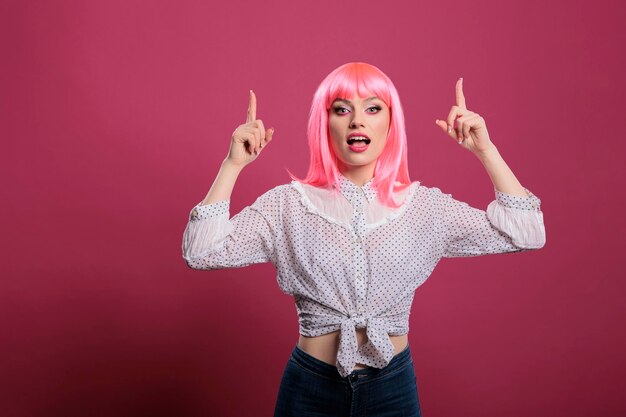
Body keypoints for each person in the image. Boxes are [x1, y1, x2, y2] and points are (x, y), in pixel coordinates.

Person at [181, 62, 546, 417]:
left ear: (390, 123)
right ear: (324, 124)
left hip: (393, 388)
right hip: (309, 388)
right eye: (342, 109)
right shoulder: (286, 205)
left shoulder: (425, 208)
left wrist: (485, 151)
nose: (357, 119)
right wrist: (232, 165)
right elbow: (201, 251)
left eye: (373, 108)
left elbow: (526, 232)